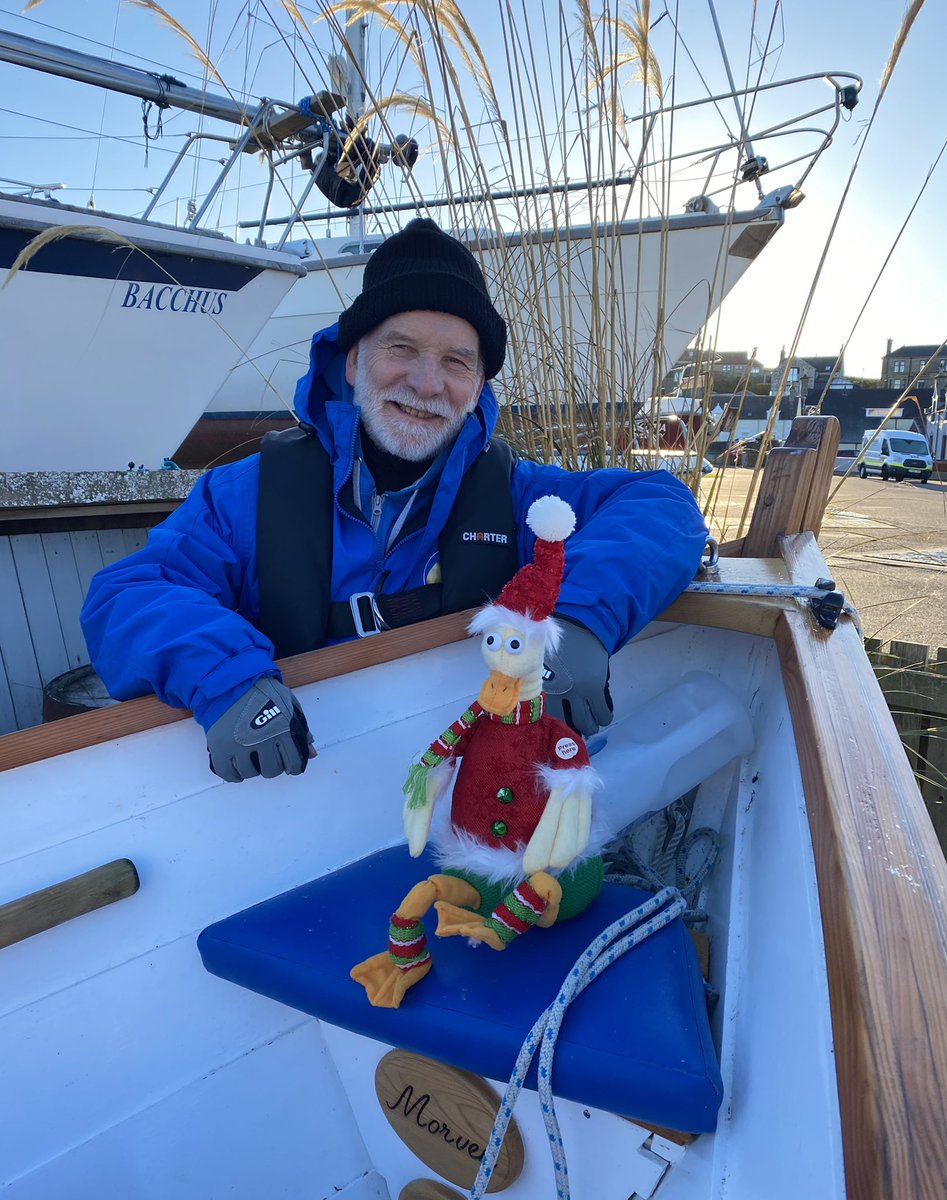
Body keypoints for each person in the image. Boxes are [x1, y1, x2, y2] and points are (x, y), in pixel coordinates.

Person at [81, 218, 708, 783]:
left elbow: (661, 506)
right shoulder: (243, 497)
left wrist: (578, 621)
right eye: (402, 349)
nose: (427, 382)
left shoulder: (521, 498)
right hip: (298, 794)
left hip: (459, 794)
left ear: (477, 386)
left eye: (457, 362)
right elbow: (128, 595)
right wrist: (224, 678)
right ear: (353, 361)